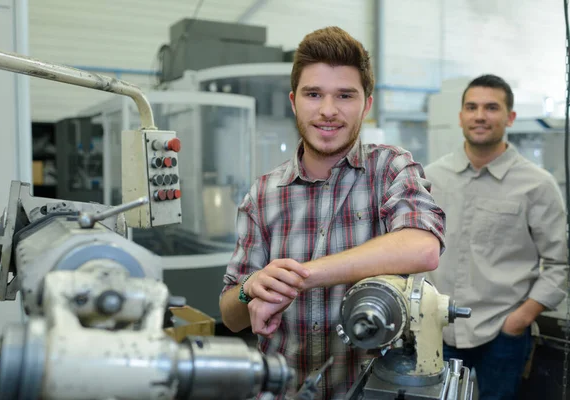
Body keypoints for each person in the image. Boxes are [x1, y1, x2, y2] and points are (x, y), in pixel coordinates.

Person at [219, 26, 446, 399]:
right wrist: (251, 287)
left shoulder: (389, 168)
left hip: (373, 390)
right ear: (294, 101)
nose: (328, 110)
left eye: (345, 95)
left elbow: (423, 247)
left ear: (366, 104)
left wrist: (301, 277)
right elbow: (230, 314)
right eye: (313, 94)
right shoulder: (262, 194)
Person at [424, 74, 568, 400]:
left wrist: (518, 321)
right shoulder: (431, 178)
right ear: (460, 115)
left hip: (501, 336)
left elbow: (559, 265)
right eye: (471, 107)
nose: (480, 116)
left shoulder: (537, 185)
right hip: (435, 331)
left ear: (510, 117)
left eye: (491, 107)